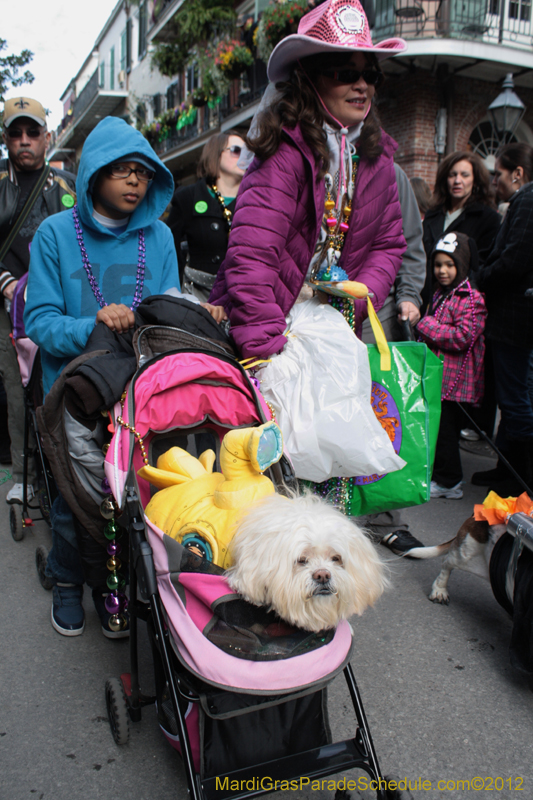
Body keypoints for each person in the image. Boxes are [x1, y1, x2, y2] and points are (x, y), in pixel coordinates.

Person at [24, 116, 180, 637]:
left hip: (139, 394)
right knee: (74, 504)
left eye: (142, 171)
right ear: (93, 175)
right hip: (71, 395)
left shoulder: (158, 236)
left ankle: (113, 589)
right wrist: (94, 323)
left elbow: (168, 309)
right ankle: (68, 582)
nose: (134, 181)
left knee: (134, 500)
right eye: (121, 171)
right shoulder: (53, 234)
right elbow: (41, 324)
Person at [210, 0, 407, 361]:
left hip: (335, 336)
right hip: (273, 336)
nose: (361, 85)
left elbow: (389, 244)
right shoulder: (283, 152)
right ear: (311, 79)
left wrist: (358, 300)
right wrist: (267, 353)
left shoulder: (378, 160)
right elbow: (252, 259)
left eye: (370, 75)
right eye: (344, 73)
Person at [0, 97, 76, 504]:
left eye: (32, 132)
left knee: (58, 385)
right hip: (8, 305)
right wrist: (7, 284)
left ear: (48, 137)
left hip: (58, 304)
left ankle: (59, 474)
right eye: (16, 133)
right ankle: (24, 474)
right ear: (6, 138)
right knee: (17, 389)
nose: (24, 140)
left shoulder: (70, 184)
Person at [359, 162, 427, 555]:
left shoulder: (388, 172)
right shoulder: (304, 158)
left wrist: (409, 296)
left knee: (383, 415)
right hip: (311, 308)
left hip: (375, 312)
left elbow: (410, 246)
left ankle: (386, 518)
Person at [473, 143, 533, 497]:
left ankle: (522, 479)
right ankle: (505, 468)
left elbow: (515, 258)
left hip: (516, 320)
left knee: (516, 399)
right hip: (512, 318)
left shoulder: (527, 200)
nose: (494, 180)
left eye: (498, 173)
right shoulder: (521, 201)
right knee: (510, 397)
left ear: (518, 173)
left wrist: (482, 274)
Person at [417, 232, 486, 499]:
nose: (442, 271)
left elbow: (462, 336)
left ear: (462, 265)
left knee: (446, 433)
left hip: (456, 383)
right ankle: (442, 475)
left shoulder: (470, 298)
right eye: (438, 264)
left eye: (449, 264)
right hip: (441, 379)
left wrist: (425, 325)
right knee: (438, 429)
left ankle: (450, 482)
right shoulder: (443, 293)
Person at [167, 131, 245, 299]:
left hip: (240, 294)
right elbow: (170, 249)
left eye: (248, 152)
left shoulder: (255, 200)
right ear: (216, 154)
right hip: (197, 296)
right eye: (236, 150)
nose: (244, 156)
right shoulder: (188, 197)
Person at [422, 151, 500, 311]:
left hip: (459, 308)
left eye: (464, 175)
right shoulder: (433, 213)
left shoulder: (487, 218)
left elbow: (482, 266)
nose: (458, 181)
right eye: (452, 175)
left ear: (475, 181)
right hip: (424, 300)